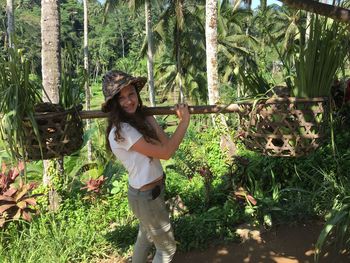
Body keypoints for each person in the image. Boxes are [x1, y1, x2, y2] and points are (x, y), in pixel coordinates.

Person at [101, 70, 190, 263]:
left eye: (131, 94)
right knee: (167, 249)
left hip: (146, 194)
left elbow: (164, 144)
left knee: (145, 237)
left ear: (137, 94)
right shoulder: (123, 131)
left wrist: (151, 120)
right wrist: (184, 122)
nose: (128, 101)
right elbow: (167, 153)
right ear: (114, 104)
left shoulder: (134, 123)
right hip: (147, 197)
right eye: (121, 98)